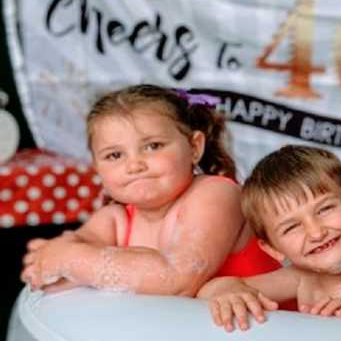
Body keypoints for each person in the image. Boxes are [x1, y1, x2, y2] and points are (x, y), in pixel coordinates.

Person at [20, 84, 278, 296]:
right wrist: (54, 259)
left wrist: (71, 259)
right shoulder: (116, 219)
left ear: (194, 147)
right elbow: (58, 261)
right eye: (114, 155)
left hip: (267, 340)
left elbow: (176, 281)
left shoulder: (216, 195)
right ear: (96, 167)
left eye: (153, 146)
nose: (134, 165)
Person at [197, 145, 341, 332]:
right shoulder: (299, 279)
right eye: (292, 227)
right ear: (272, 249)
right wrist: (227, 291)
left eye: (324, 209)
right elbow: (207, 291)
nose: (316, 233)